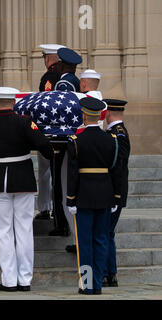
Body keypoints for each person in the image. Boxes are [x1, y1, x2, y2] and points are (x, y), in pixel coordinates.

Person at [0, 87, 53, 293]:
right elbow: (43, 144)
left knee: (3, 232)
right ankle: (24, 280)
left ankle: (9, 280)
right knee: (24, 229)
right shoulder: (24, 122)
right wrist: (52, 155)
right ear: (14, 103)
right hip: (23, 178)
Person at [66, 97, 122, 295]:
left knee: (85, 242)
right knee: (101, 240)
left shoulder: (75, 141)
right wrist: (116, 197)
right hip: (105, 194)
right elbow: (116, 170)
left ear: (83, 116)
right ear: (100, 116)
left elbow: (72, 174)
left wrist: (70, 199)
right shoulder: (111, 139)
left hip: (84, 196)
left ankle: (87, 284)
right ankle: (97, 284)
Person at [49, 47, 83, 237]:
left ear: (62, 65)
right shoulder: (75, 81)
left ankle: (62, 224)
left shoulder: (64, 84)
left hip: (63, 140)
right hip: (72, 138)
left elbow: (60, 111)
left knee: (60, 184)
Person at [103, 99, 131, 288]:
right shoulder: (116, 132)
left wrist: (115, 196)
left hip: (114, 192)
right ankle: (110, 273)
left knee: (105, 233)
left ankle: (108, 273)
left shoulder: (117, 134)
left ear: (107, 114)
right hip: (114, 191)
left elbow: (118, 167)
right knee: (107, 233)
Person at [35, 44, 65, 221]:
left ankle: (46, 207)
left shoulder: (49, 76)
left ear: (47, 58)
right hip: (64, 132)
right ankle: (59, 208)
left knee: (45, 171)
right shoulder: (66, 75)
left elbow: (44, 101)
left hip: (47, 131)